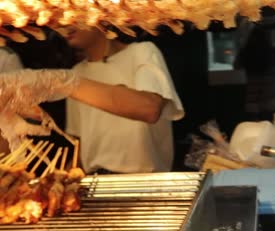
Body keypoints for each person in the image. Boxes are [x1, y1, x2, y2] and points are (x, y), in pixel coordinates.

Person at [0, 27, 184, 174]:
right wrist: (59, 178)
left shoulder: (143, 52)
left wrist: (60, 81)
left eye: (73, 15)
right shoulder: (78, 72)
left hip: (146, 180)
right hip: (95, 181)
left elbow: (149, 108)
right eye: (59, 21)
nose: (64, 25)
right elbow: (81, 145)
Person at [234, 26, 275, 121]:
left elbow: (236, 66)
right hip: (273, 100)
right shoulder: (274, 52)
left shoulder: (246, 53)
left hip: (253, 102)